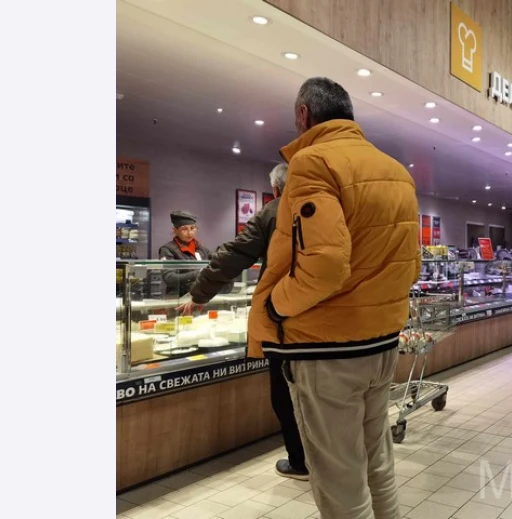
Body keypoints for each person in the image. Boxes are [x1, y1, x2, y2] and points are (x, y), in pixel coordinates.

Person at [248, 77, 420, 519]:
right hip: (381, 343)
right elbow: (412, 264)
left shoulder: (312, 162)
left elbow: (324, 265)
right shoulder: (396, 172)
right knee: (377, 463)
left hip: (326, 349)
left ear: (303, 114)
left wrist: (275, 306)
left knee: (339, 480)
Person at [176, 164, 310, 481]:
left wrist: (199, 293)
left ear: (275, 190)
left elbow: (233, 255)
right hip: (327, 318)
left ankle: (301, 461)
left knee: (284, 390)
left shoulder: (273, 212)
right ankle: (330, 458)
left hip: (283, 318)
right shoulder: (329, 206)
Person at [158, 211, 213, 296]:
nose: (190, 233)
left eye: (192, 228)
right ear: (175, 230)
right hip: (178, 297)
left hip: (200, 296)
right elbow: (169, 278)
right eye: (184, 229)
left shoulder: (201, 248)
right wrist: (198, 273)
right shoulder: (167, 249)